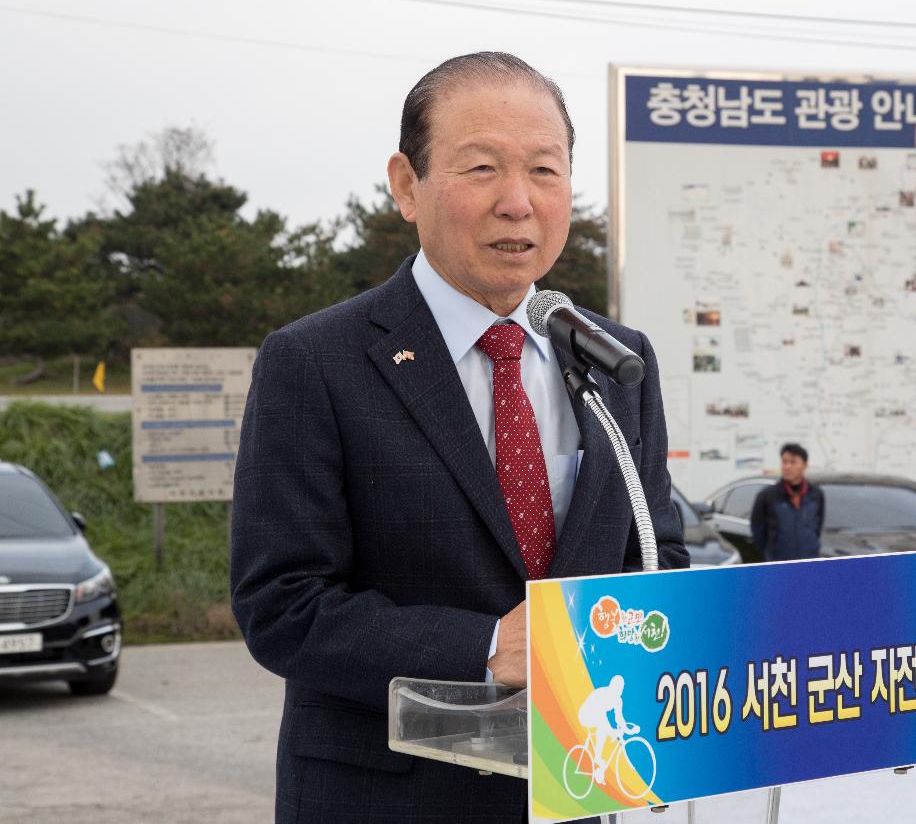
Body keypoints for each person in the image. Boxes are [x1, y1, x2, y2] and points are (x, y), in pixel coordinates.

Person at [229, 52, 688, 824]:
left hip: (582, 788)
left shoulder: (614, 359)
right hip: (387, 796)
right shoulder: (314, 361)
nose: (518, 202)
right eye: (482, 168)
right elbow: (282, 604)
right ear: (407, 185)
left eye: (546, 170)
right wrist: (483, 646)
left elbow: (657, 555)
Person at [750, 443, 825, 561]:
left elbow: (817, 527)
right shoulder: (767, 496)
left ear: (804, 465)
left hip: (809, 562)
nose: (787, 466)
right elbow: (758, 531)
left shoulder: (816, 495)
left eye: (793, 462)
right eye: (784, 462)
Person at [576, 675, 637, 785]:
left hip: (596, 716)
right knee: (603, 728)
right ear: (612, 686)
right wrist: (611, 731)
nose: (620, 690)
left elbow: (620, 720)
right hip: (585, 714)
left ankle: (599, 770)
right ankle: (598, 758)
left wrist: (630, 731)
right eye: (619, 688)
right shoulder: (603, 694)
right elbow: (601, 716)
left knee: (605, 728)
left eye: (622, 688)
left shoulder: (618, 700)